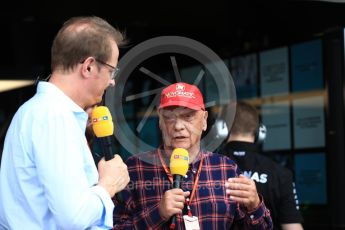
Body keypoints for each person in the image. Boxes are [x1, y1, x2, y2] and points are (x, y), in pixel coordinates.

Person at [0, 16, 130, 229]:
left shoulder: (36, 111)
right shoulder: (55, 117)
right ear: (88, 67)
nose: (112, 81)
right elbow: (74, 218)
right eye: (111, 70)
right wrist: (108, 184)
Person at [113, 82, 273, 229]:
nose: (178, 126)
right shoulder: (135, 168)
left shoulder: (226, 168)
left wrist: (254, 205)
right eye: (169, 117)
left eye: (188, 116)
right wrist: (157, 214)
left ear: (204, 120)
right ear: (160, 121)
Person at [219, 101, 304, 230]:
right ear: (260, 132)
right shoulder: (281, 173)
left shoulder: (208, 167)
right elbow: (292, 226)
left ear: (222, 130)